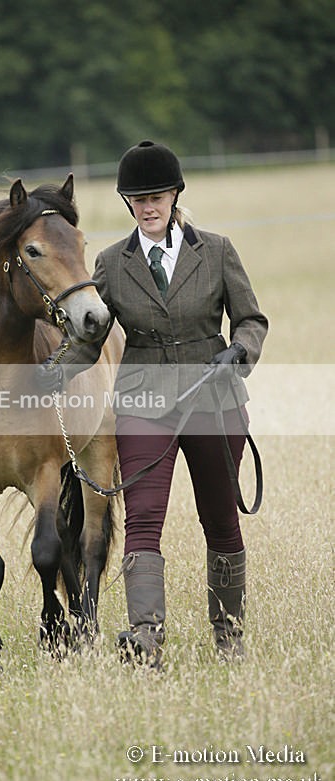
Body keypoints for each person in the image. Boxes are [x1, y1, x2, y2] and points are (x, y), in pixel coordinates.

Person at [38, 140, 268, 668]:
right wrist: (56, 370)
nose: (148, 207)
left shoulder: (217, 251)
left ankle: (229, 635)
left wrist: (239, 351)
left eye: (156, 197)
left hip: (214, 399)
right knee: (142, 519)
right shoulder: (111, 263)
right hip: (144, 403)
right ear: (128, 203)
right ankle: (145, 637)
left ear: (175, 196)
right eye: (138, 199)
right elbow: (91, 340)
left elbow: (252, 320)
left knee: (220, 521)